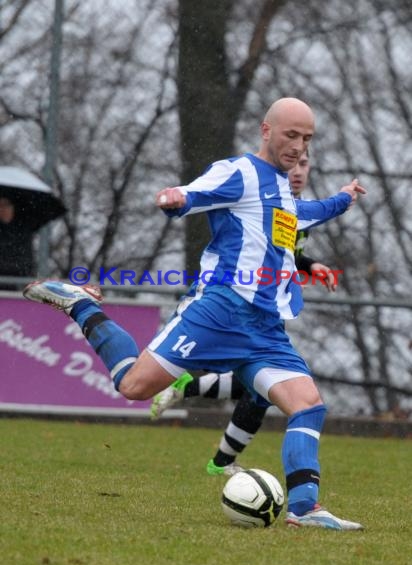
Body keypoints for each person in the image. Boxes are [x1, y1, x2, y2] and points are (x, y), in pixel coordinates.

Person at [23, 97, 366, 530]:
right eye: (291, 135)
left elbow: (305, 215)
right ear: (266, 130)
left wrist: (342, 198)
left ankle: (304, 508)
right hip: (219, 311)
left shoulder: (283, 188)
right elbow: (198, 192)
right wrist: (176, 198)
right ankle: (81, 304)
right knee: (133, 385)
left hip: (265, 329)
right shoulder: (240, 171)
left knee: (308, 405)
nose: (299, 147)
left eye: (307, 139)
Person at [150, 150, 338, 477]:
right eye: (292, 161)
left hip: (266, 316)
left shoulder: (297, 211)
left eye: (304, 164)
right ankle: (217, 454)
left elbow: (288, 254)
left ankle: (216, 452)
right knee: (261, 388)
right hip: (234, 305)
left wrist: (310, 265)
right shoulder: (258, 195)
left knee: (261, 389)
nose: (297, 170)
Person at [0, 196, 35, 289]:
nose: (2, 209)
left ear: (13, 208)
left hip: (17, 286)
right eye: (0, 205)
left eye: (6, 205)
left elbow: (26, 262)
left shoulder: (23, 231)